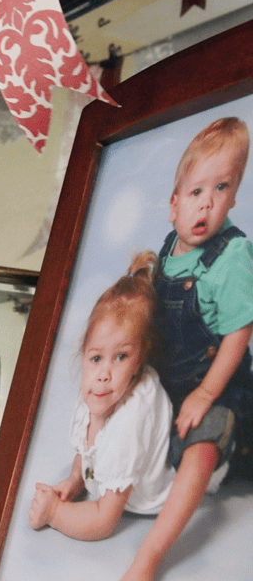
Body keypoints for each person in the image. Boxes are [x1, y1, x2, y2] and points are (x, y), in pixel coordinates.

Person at [121, 117, 253, 581]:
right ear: (173, 205)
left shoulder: (233, 256)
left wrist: (205, 394)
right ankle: (83, 482)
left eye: (222, 188)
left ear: (235, 197)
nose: (208, 204)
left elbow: (239, 335)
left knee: (201, 447)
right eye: (196, 191)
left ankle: (150, 556)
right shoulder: (170, 247)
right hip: (168, 387)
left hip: (218, 386)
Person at [28, 253, 175, 540]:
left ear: (139, 362)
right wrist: (75, 479)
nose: (103, 373)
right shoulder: (98, 391)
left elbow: (104, 520)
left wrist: (55, 513)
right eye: (96, 358)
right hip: (112, 473)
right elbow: (87, 452)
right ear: (84, 354)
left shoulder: (129, 422)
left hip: (146, 499)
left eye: (120, 357)